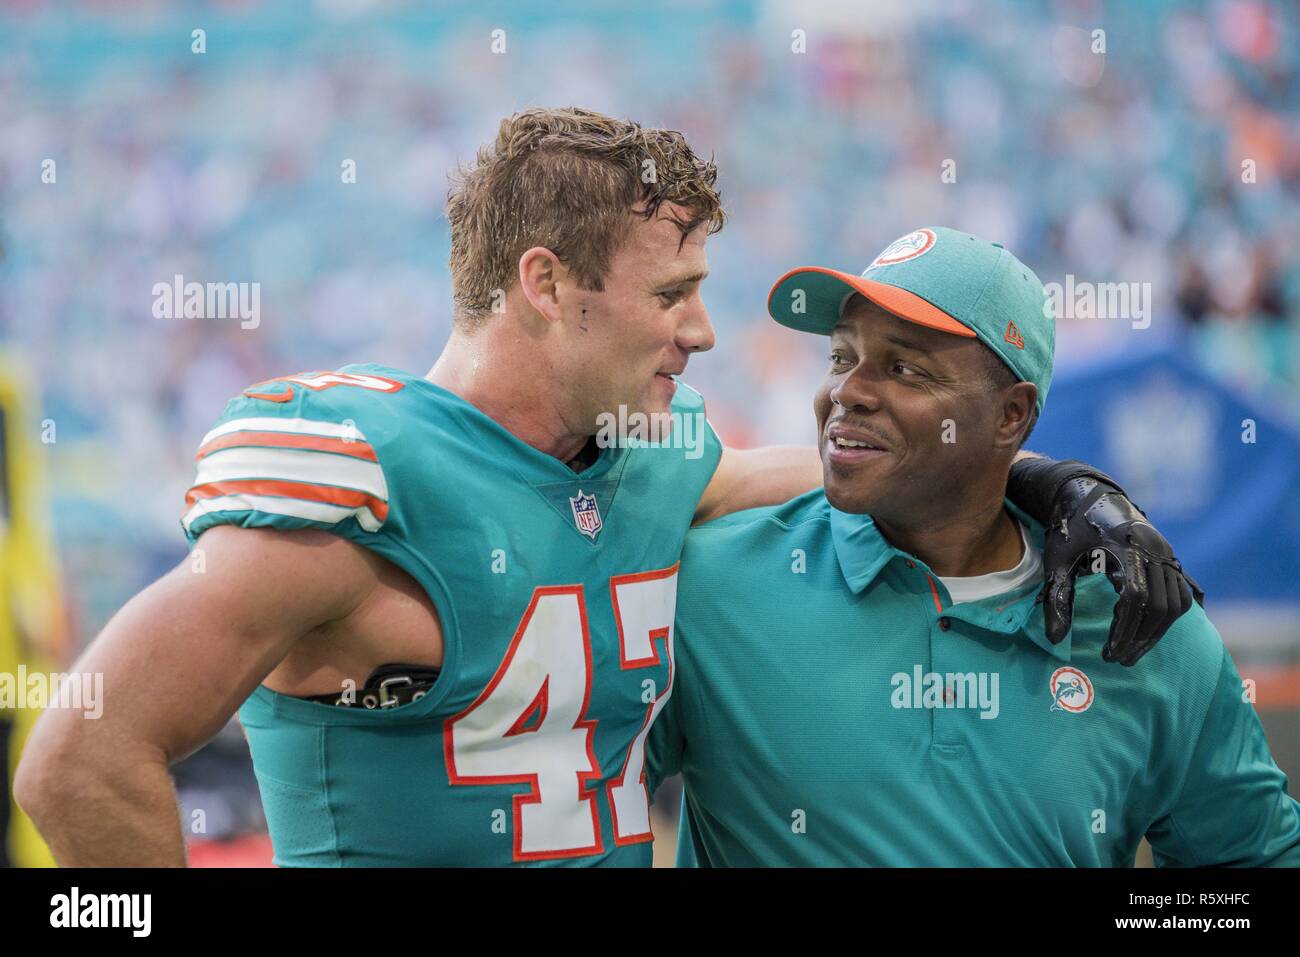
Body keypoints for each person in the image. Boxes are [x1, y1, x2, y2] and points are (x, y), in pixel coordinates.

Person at [17, 115, 1192, 867]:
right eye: (670, 292)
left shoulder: (652, 458)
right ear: (546, 283)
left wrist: (1035, 482)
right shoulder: (358, 478)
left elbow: (784, 477)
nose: (702, 329)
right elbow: (75, 761)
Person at [648, 226, 1300, 867]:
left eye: (903, 367)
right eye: (842, 356)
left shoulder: (1143, 624)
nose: (847, 390)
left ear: (1012, 414)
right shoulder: (709, 586)